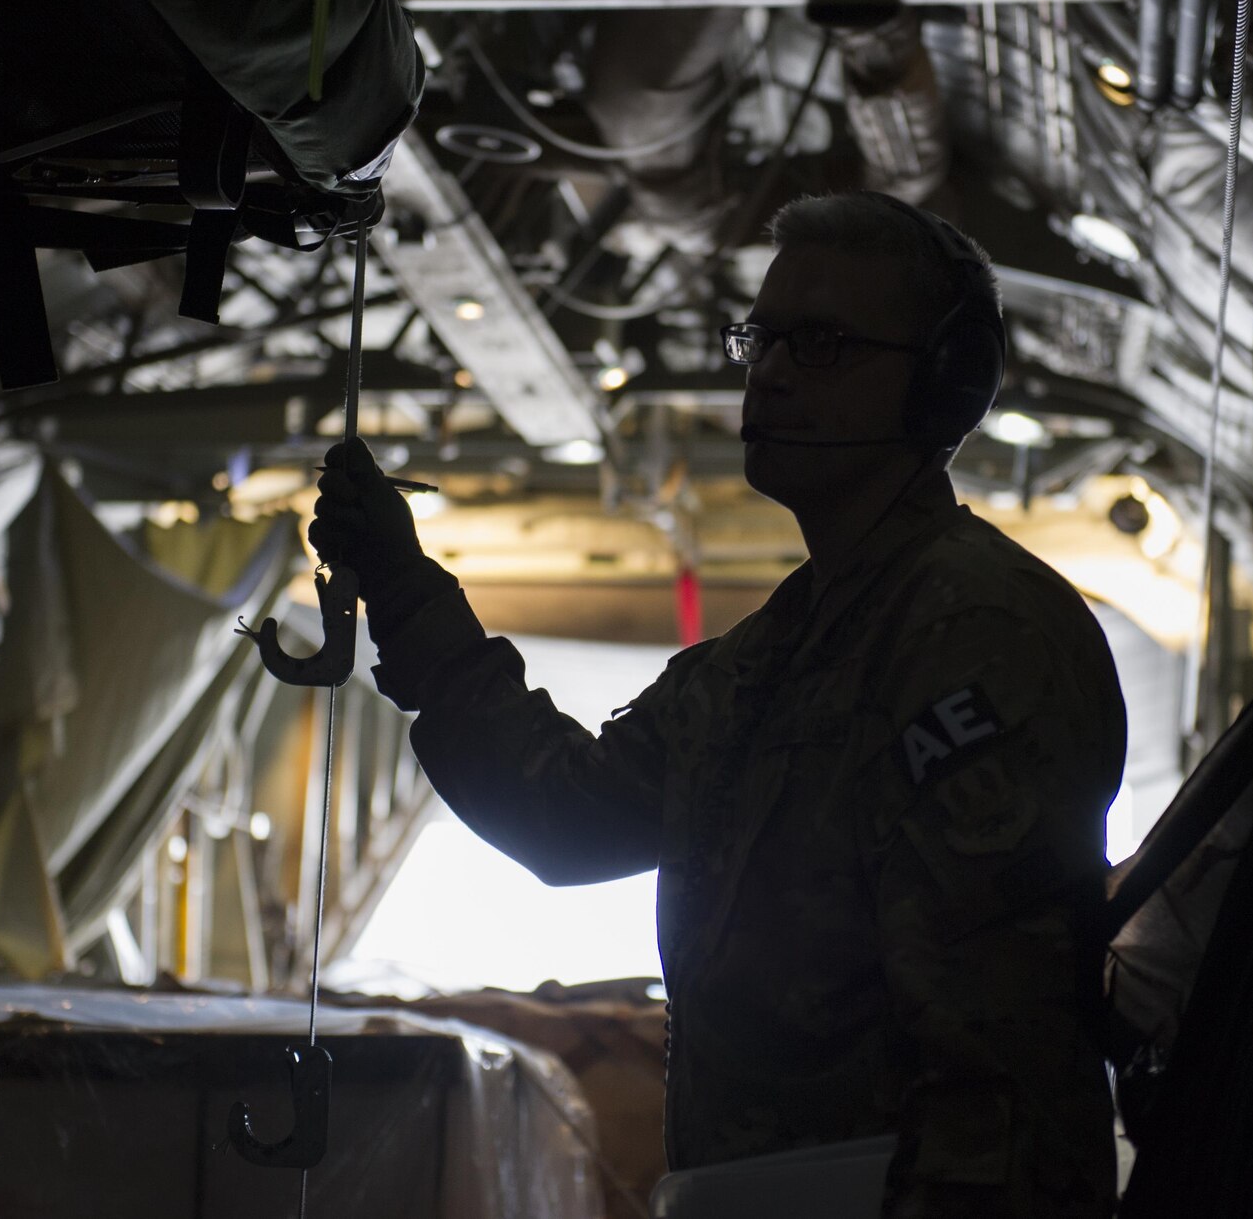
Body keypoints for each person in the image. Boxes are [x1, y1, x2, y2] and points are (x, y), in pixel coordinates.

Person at [313, 191, 1127, 1217]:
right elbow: (566, 816)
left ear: (941, 385)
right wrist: (402, 586)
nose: (770, 370)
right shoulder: (765, 656)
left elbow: (992, 1056)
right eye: (761, 336)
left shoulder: (973, 631)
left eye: (821, 343)